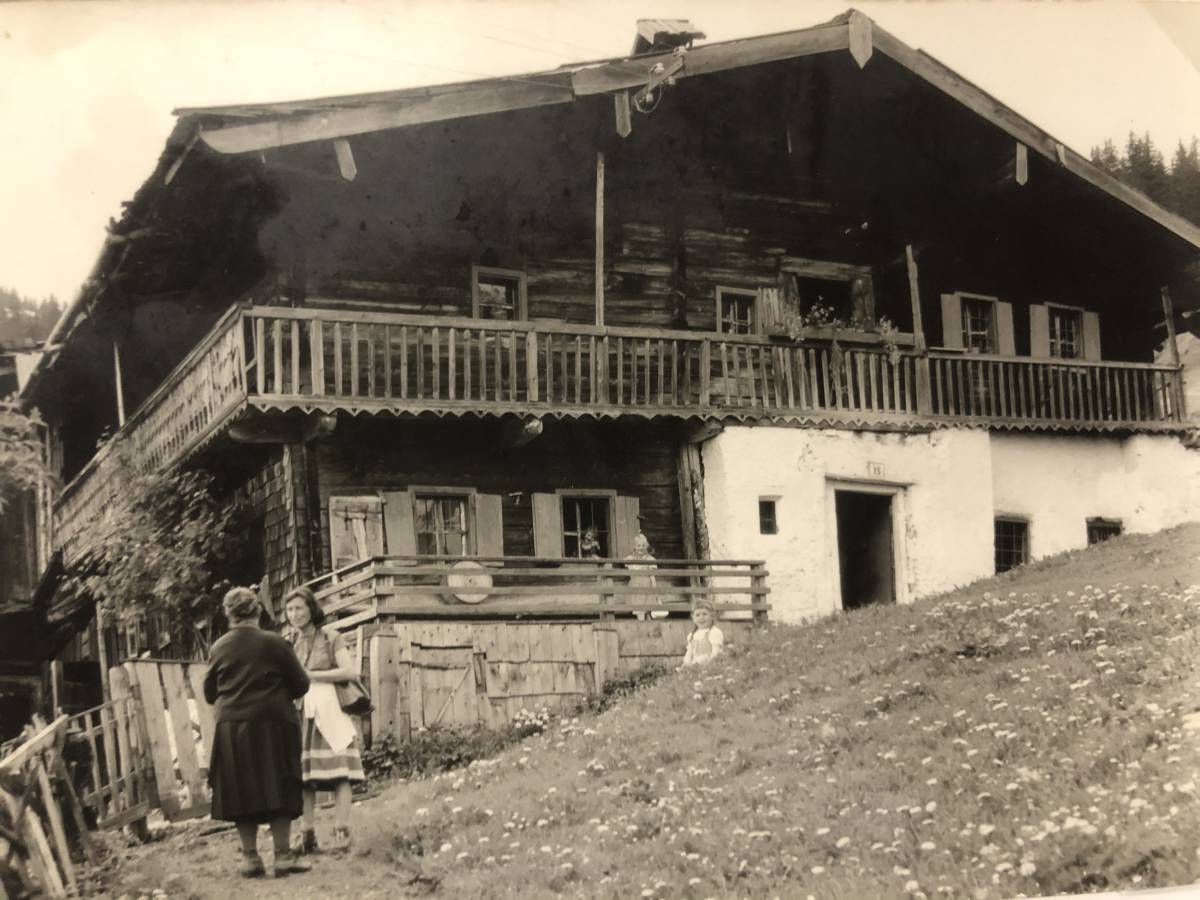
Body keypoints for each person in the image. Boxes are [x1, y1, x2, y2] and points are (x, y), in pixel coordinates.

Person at [203, 587, 311, 878]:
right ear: (258, 611)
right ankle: (283, 856)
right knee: (280, 782)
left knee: (240, 788)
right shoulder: (275, 643)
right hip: (273, 722)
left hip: (232, 726)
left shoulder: (219, 647)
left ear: (228, 615)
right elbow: (302, 684)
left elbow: (209, 692)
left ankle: (250, 859)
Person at [284, 586, 365, 855]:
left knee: (340, 772)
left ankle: (342, 831)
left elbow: (350, 671)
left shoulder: (331, 637)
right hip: (301, 711)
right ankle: (307, 834)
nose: (294, 614)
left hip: (330, 708)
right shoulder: (289, 643)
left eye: (299, 608)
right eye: (290, 609)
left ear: (311, 609)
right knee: (305, 776)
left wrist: (311, 676)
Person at [623, 532, 664, 621]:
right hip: (635, 586)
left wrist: (655, 590)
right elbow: (623, 561)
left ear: (646, 547)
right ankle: (641, 621)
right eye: (638, 546)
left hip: (647, 585)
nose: (641, 548)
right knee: (639, 609)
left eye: (643, 546)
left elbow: (652, 577)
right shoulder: (631, 559)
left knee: (648, 607)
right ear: (634, 547)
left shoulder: (649, 559)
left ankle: (648, 620)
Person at [682, 601, 725, 666]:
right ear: (693, 618)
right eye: (697, 615)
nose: (701, 617)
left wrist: (710, 665)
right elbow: (689, 653)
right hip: (695, 666)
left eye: (705, 614)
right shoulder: (692, 635)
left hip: (709, 665)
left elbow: (716, 653)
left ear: (712, 616)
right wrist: (686, 664)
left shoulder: (714, 632)